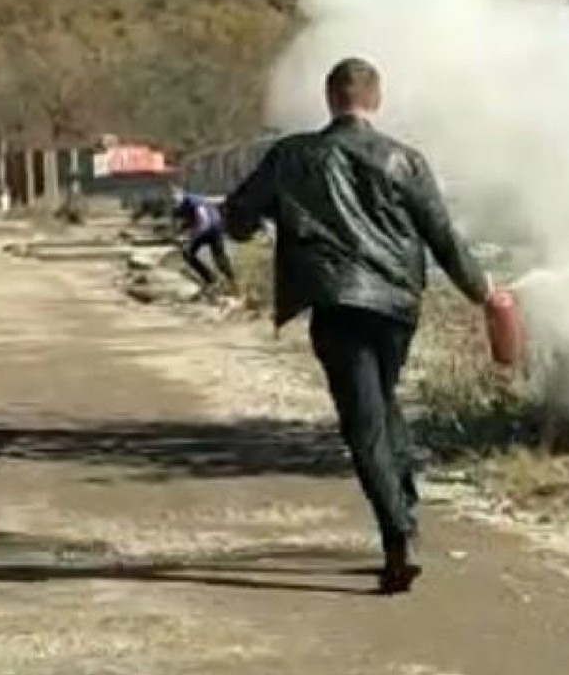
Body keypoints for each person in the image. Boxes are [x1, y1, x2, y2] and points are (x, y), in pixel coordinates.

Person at [220, 57, 495, 595]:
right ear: (376, 100)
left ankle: (398, 537)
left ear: (330, 99)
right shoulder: (405, 160)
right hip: (397, 307)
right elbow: (443, 237)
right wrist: (484, 293)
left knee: (363, 422)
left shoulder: (293, 156)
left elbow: (236, 215)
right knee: (383, 402)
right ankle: (407, 512)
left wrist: (257, 223)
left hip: (336, 301)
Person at [172, 189, 237, 300]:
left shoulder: (192, 201)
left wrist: (189, 237)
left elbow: (203, 221)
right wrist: (181, 232)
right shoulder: (185, 204)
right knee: (189, 253)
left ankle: (230, 283)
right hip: (209, 227)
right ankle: (213, 279)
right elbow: (189, 221)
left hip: (212, 227)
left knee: (217, 257)